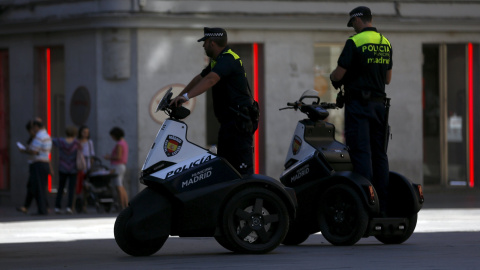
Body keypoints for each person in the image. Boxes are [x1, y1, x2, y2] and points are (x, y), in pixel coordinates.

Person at [329, 6, 393, 215]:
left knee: (360, 153)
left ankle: (366, 205)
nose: (353, 28)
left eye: (353, 24)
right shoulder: (385, 43)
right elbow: (387, 79)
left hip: (359, 106)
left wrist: (334, 78)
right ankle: (382, 203)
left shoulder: (354, 42)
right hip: (379, 106)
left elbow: (338, 75)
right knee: (379, 154)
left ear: (357, 20)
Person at [170, 27, 258, 175]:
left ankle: (247, 197)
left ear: (211, 43)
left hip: (239, 123)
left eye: (204, 42)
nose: (203, 46)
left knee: (242, 172)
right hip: (229, 123)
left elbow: (211, 80)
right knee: (226, 167)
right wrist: (180, 96)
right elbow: (201, 78)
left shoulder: (229, 58)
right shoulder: (217, 61)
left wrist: (186, 98)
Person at [17, 119, 52, 215]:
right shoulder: (46, 135)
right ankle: (41, 208)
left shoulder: (40, 136)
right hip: (42, 163)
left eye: (33, 128)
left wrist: (24, 150)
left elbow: (34, 151)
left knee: (39, 187)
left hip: (38, 164)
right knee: (35, 186)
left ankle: (42, 209)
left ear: (36, 127)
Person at [52, 126, 81, 214]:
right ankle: (69, 207)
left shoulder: (61, 141)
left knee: (60, 188)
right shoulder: (77, 143)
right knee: (71, 189)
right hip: (73, 168)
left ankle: (57, 206)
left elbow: (52, 140)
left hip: (62, 166)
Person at [104, 127, 129, 210]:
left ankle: (122, 205)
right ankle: (125, 204)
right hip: (121, 165)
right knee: (121, 186)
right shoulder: (124, 143)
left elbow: (118, 156)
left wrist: (109, 157)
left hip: (117, 166)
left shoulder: (119, 144)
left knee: (119, 187)